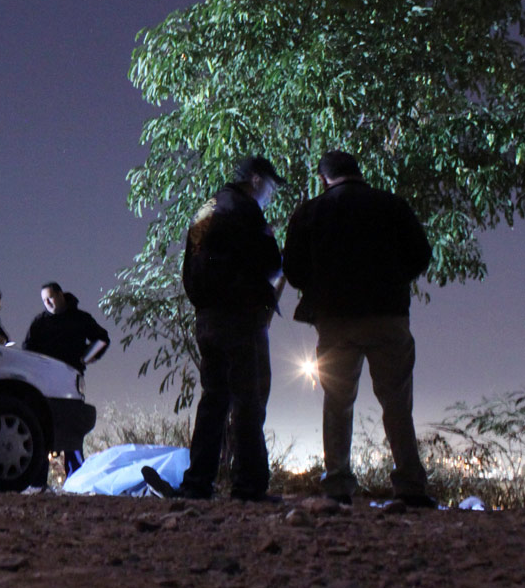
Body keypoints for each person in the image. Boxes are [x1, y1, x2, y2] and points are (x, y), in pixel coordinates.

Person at [283, 150, 435, 507]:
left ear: (324, 178)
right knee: (397, 402)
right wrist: (394, 280)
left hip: (335, 322)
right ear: (358, 172)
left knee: (337, 401)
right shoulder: (391, 205)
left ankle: (337, 483)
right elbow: (421, 255)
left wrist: (320, 289)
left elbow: (292, 269)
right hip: (388, 316)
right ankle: (410, 484)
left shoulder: (310, 212)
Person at [143, 155, 286, 503]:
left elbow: (189, 264)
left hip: (207, 318)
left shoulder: (206, 209)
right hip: (240, 317)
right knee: (247, 401)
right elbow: (271, 264)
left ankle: (197, 484)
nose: (270, 195)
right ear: (255, 180)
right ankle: (249, 486)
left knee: (213, 401)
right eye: (269, 187)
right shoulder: (246, 210)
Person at [23, 281, 110, 476]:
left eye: (50, 297)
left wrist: (89, 356)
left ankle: (76, 479)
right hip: (43, 382)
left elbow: (102, 338)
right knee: (41, 426)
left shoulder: (80, 319)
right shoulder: (39, 322)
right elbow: (27, 350)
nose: (48, 303)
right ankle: (37, 481)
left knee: (72, 429)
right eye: (44, 300)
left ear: (61, 295)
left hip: (70, 380)